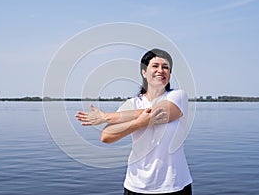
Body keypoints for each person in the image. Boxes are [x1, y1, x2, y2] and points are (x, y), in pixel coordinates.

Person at [75, 48, 192, 195]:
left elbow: (157, 113)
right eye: (155, 66)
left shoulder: (178, 96)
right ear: (144, 72)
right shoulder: (132, 104)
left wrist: (106, 117)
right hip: (136, 185)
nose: (160, 70)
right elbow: (107, 135)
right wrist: (138, 124)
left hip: (174, 185)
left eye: (165, 67)